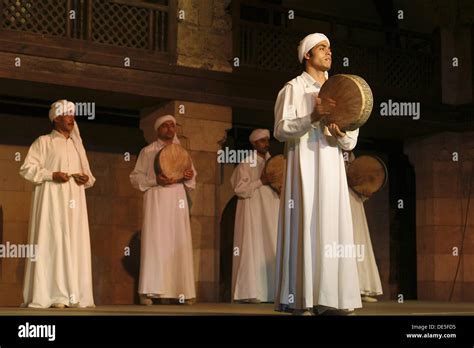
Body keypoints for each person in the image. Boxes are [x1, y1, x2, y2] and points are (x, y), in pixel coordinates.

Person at [273, 33, 362, 315]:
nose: (328, 52)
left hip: (333, 168)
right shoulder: (293, 89)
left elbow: (351, 140)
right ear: (307, 56)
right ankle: (304, 298)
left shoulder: (341, 88)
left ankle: (334, 297)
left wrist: (342, 135)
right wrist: (312, 117)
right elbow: (280, 129)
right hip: (305, 168)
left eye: (330, 48)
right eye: (321, 48)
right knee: (307, 224)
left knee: (333, 226)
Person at [20, 99, 96, 308]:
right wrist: (51, 174)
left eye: (73, 114)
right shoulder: (44, 142)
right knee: (52, 241)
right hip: (52, 201)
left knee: (73, 242)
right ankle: (53, 295)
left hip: (75, 201)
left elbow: (90, 177)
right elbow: (27, 169)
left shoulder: (78, 146)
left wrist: (84, 179)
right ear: (56, 118)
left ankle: (73, 293)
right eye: (67, 114)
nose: (72, 118)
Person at [130, 114, 197, 305]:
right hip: (156, 198)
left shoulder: (181, 151)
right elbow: (135, 178)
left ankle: (182, 290)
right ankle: (149, 291)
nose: (169, 129)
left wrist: (188, 175)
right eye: (165, 126)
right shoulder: (148, 151)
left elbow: (192, 178)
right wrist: (155, 180)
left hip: (177, 199)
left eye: (172, 126)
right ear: (158, 129)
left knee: (178, 241)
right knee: (155, 242)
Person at [230, 129, 280, 303]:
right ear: (254, 143)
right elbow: (239, 189)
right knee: (253, 247)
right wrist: (261, 181)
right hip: (253, 211)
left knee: (271, 246)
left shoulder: (276, 162)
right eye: (261, 141)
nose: (266, 143)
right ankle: (250, 292)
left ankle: (273, 292)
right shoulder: (246, 163)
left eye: (267, 140)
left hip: (272, 210)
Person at [345, 151, 383, 302]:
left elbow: (360, 177)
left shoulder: (353, 157)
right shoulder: (329, 151)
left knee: (359, 241)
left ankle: (362, 288)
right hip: (339, 201)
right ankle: (347, 289)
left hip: (355, 202)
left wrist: (367, 190)